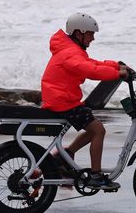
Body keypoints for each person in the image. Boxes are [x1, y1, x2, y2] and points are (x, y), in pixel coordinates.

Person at [39, 13, 130, 190]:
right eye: (91, 34)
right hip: (62, 102)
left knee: (92, 128)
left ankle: (65, 154)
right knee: (98, 130)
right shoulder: (70, 53)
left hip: (63, 99)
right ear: (79, 33)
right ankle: (95, 176)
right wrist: (118, 74)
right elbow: (90, 70)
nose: (93, 38)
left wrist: (116, 66)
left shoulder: (71, 50)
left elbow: (92, 63)